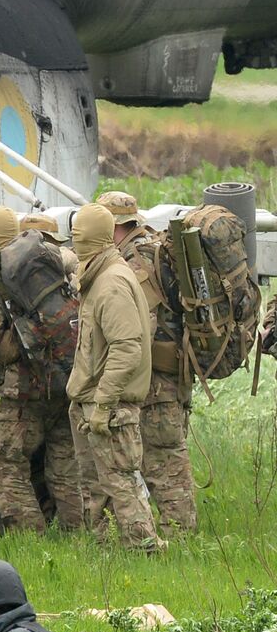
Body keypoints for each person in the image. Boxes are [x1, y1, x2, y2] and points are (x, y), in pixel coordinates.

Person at [0, 206, 83, 533]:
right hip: (66, 383)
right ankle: (83, 537)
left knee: (8, 471)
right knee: (65, 470)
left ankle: (31, 538)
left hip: (23, 397)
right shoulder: (59, 272)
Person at [66, 204, 165, 553]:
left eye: (78, 234)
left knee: (120, 483)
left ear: (88, 238)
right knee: (97, 485)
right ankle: (106, 551)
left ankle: (145, 551)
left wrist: (104, 403)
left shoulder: (111, 284)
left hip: (108, 405)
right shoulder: (100, 273)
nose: (74, 239)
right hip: (92, 401)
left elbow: (127, 348)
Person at [98, 190, 196, 534]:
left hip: (158, 377)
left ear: (114, 226)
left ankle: (180, 535)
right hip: (166, 372)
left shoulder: (137, 259)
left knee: (163, 459)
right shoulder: (154, 248)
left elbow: (141, 323)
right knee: (163, 455)